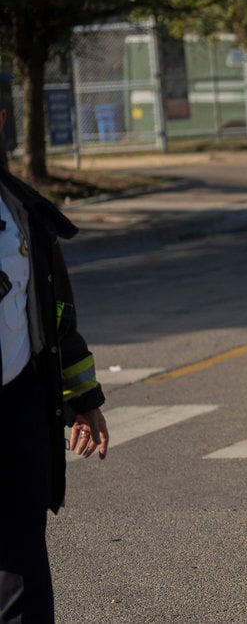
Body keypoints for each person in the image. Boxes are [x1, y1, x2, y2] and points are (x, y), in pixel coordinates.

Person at [0, 106, 110, 622]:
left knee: (22, 565)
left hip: (19, 406)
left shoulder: (23, 214)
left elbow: (56, 314)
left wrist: (83, 399)